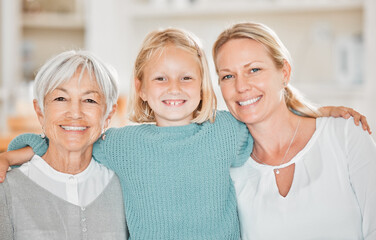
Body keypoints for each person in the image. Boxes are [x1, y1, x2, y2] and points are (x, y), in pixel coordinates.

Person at [0, 28, 370, 239]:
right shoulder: (122, 144)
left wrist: (318, 112)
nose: (173, 87)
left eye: (186, 78)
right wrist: (17, 152)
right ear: (141, 87)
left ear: (202, 87)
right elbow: (70, 140)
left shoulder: (224, 129)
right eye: (160, 78)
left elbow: (270, 115)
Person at [213, 22, 376, 239]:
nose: (241, 86)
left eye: (254, 70)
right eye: (228, 76)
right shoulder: (229, 167)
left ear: (285, 73)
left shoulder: (345, 135)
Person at [0, 50, 127, 239]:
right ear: (40, 112)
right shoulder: (7, 189)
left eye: (89, 100)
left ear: (108, 115)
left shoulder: (126, 187)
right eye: (60, 98)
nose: (75, 113)